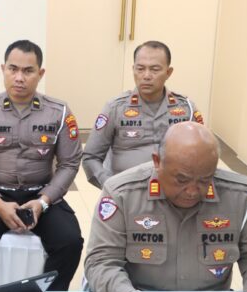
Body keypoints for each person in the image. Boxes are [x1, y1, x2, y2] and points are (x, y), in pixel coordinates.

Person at [84, 122, 247, 292]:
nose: (192, 190)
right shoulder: (122, 194)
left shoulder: (241, 196)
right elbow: (101, 262)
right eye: (181, 179)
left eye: (205, 180)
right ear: (157, 162)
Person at [0, 39, 83, 291]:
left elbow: (70, 163)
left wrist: (43, 202)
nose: (19, 78)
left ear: (40, 73)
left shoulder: (59, 112)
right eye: (13, 69)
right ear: (3, 69)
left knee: (70, 241)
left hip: (42, 195)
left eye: (28, 71)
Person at [82, 40, 203, 189]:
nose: (146, 76)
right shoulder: (115, 108)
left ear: (168, 72)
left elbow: (203, 155)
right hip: (126, 190)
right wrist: (110, 186)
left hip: (174, 191)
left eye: (155, 69)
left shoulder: (186, 109)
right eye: (140, 69)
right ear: (133, 69)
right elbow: (91, 157)